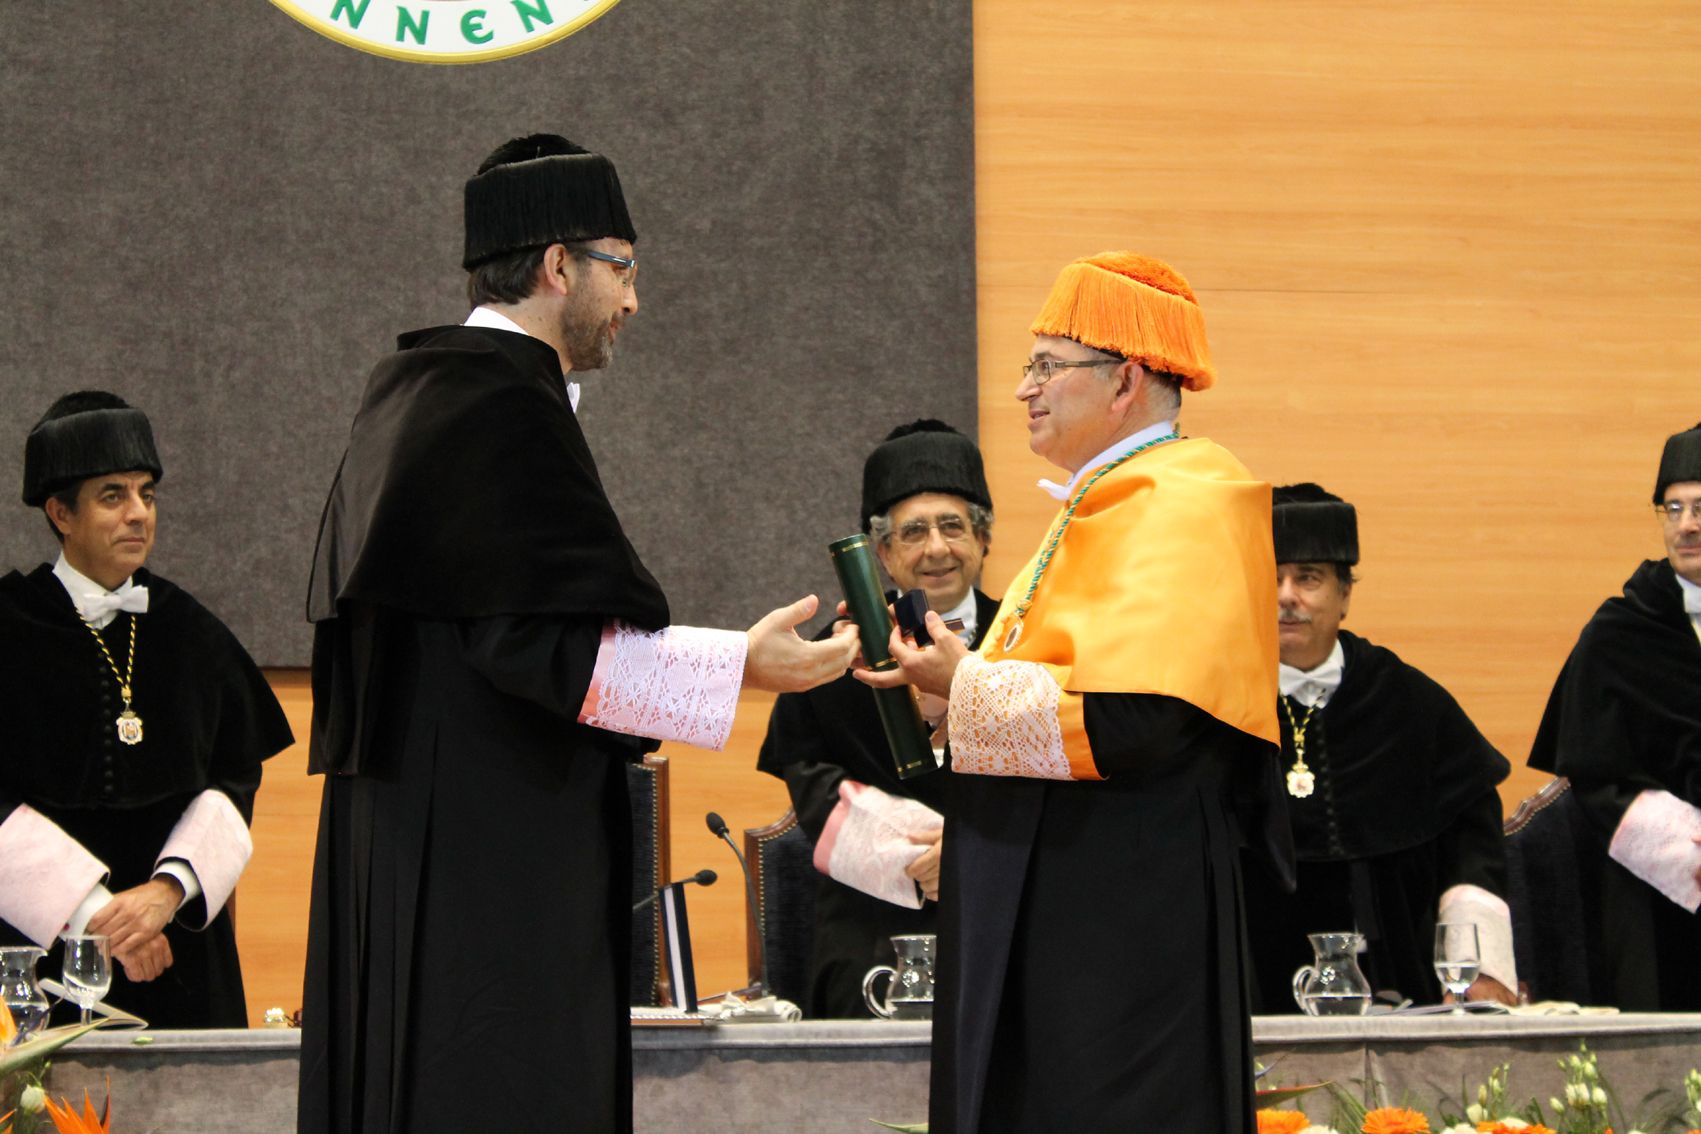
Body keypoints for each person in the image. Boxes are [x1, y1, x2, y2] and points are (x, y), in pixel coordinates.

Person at [297, 134, 857, 1134]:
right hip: (489, 875)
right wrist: (743, 666)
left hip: (423, 853)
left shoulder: (414, 394)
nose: (634, 300)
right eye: (625, 268)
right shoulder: (499, 404)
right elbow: (540, 653)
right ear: (560, 267)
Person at [860, 252, 1286, 1131]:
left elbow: (1141, 723)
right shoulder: (1103, 503)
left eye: (1047, 366)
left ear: (1125, 378)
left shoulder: (1185, 505)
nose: (1023, 389)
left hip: (1115, 913)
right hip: (1063, 888)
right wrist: (948, 697)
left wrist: (964, 686)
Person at [0, 391, 291, 1028]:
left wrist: (164, 896)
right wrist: (97, 917)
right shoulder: (7, 628)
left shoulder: (191, 630)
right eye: (113, 496)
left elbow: (235, 781)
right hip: (39, 951)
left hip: (179, 948)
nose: (139, 515)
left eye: (147, 494)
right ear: (60, 513)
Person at [1240, 483, 1517, 1012]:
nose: (1286, 597)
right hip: (1252, 983)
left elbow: (1471, 836)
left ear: (1345, 595)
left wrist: (1478, 968)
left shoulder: (1408, 700)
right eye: (1270, 579)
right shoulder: (1216, 706)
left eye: (1309, 578)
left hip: (1399, 974)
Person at [756, 419, 1000, 1017]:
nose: (937, 549)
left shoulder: (1037, 642)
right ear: (883, 555)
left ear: (984, 540)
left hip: (1009, 902)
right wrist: (920, 856)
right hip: (872, 923)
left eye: (953, 526)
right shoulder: (832, 654)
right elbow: (811, 782)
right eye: (913, 532)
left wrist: (973, 854)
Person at [1528, 422, 1701, 1010]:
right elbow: (1595, 776)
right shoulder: (1620, 632)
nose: (1687, 524)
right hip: (1657, 888)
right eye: (1672, 507)